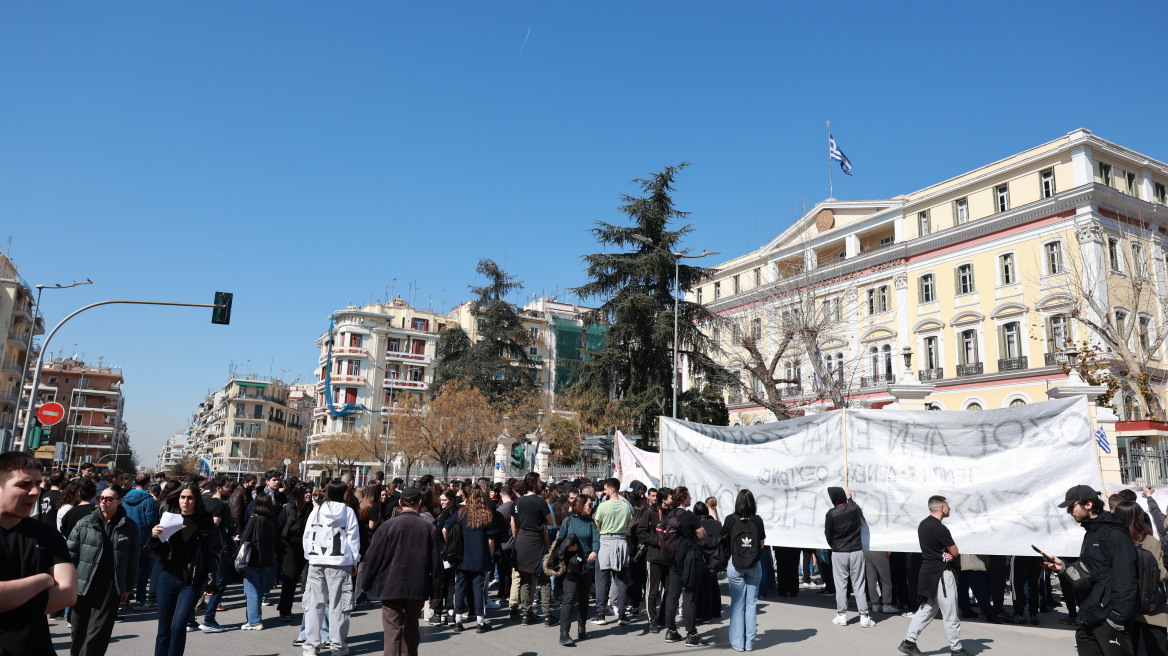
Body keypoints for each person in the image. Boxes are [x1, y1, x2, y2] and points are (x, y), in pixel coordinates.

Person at [0, 452, 78, 656]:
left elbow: (68, 593)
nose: (35, 491)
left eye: (37, 483)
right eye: (24, 484)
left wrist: (9, 601)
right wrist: (43, 580)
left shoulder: (47, 534)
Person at [1046, 485, 1139, 656]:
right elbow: (1091, 574)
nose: (1069, 512)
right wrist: (1063, 567)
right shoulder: (1091, 532)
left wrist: (1117, 618)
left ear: (1088, 505)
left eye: (1071, 506)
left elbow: (1126, 578)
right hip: (1089, 615)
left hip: (1108, 619)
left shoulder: (1115, 533)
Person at [359, 486, 443, 656]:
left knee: (392, 630)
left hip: (390, 584)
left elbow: (372, 557)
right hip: (417, 585)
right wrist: (436, 592)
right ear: (419, 503)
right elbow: (436, 563)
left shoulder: (387, 526)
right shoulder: (428, 528)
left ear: (399, 503)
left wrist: (366, 583)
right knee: (412, 627)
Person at [146, 482, 222, 656]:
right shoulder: (169, 518)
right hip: (167, 577)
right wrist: (154, 537)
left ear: (197, 500)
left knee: (179, 626)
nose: (185, 501)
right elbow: (152, 552)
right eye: (182, 497)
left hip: (192, 580)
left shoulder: (205, 522)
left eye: (190, 498)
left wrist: (211, 579)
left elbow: (214, 552)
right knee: (164, 629)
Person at [67, 484, 140, 656]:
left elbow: (133, 560)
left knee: (98, 632)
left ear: (119, 501)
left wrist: (128, 587)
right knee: (78, 628)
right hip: (83, 582)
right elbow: (70, 554)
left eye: (108, 499)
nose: (103, 502)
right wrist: (68, 582)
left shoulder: (130, 527)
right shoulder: (86, 522)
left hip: (110, 585)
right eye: (101, 498)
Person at [899, 496, 969, 656]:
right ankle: (956, 649)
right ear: (941, 508)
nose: (950, 508)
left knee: (928, 608)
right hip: (941, 574)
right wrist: (948, 554)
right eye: (948, 506)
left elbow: (938, 550)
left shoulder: (923, 524)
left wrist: (945, 553)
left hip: (928, 573)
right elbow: (955, 551)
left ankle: (909, 642)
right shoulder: (940, 528)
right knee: (950, 612)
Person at [301, 479, 361, 656]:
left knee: (314, 605)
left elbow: (307, 535)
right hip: (340, 562)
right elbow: (353, 538)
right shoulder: (348, 512)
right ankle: (338, 646)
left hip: (316, 561)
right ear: (344, 494)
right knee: (339, 605)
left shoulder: (317, 511)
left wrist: (310, 556)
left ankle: (310, 647)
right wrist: (354, 561)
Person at [1113, 500, 1168, 656]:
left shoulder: (1114, 541)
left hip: (1123, 608)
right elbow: (1161, 575)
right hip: (1151, 611)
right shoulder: (1151, 542)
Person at [445, 486, 497, 633]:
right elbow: (490, 540)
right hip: (480, 557)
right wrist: (490, 556)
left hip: (462, 557)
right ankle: (480, 622)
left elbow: (445, 528)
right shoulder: (486, 514)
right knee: (478, 589)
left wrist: (451, 546)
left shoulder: (461, 512)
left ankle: (458, 620)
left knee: (460, 587)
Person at [661, 486, 707, 647]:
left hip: (673, 559)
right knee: (689, 596)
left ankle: (671, 630)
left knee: (672, 595)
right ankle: (691, 634)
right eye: (688, 496)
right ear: (683, 498)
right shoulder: (690, 516)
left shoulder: (669, 515)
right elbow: (703, 535)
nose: (691, 499)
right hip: (688, 559)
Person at [723, 489, 765, 652]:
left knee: (737, 603)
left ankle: (737, 643)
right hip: (754, 564)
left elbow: (723, 540)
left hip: (735, 564)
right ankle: (749, 643)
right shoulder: (757, 520)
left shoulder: (730, 519)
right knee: (751, 603)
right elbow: (761, 544)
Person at [825, 486, 873, 628]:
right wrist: (850, 498)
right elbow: (858, 511)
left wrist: (834, 545)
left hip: (839, 551)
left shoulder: (831, 513)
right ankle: (864, 616)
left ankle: (841, 615)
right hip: (856, 550)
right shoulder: (854, 508)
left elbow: (828, 534)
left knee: (841, 584)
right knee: (859, 584)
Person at [556, 493, 600, 646]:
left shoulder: (591, 523)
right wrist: (567, 547)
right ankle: (564, 634)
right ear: (580, 505)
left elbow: (596, 540)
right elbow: (559, 541)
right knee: (569, 598)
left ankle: (582, 628)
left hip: (587, 565)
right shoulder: (568, 521)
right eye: (589, 505)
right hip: (571, 565)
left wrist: (595, 551)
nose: (591, 507)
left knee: (584, 598)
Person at [511, 472, 554, 626]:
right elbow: (550, 522)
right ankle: (548, 615)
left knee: (525, 579)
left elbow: (513, 525)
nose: (541, 483)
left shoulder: (517, 502)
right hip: (536, 542)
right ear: (534, 483)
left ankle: (526, 614)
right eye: (539, 481)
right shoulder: (540, 501)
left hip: (521, 542)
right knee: (544, 579)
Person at [592, 477, 633, 627]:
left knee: (602, 580)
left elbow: (597, 523)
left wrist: (603, 531)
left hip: (605, 541)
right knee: (621, 580)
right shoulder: (625, 506)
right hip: (621, 542)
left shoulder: (603, 506)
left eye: (605, 489)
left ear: (612, 489)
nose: (604, 491)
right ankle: (622, 614)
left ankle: (600, 614)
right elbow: (628, 524)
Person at [238, 492, 279, 630]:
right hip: (268, 558)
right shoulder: (273, 520)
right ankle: (254, 619)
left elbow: (245, 538)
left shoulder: (255, 519)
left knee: (252, 590)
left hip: (253, 558)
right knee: (260, 589)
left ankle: (254, 621)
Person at [123, 473, 160, 609]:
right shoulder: (149, 500)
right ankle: (140, 600)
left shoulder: (125, 498)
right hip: (143, 538)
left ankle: (124, 599)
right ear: (147, 484)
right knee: (143, 570)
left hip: (126, 537)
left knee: (126, 569)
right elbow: (151, 522)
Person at [277, 484, 313, 623]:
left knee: (294, 579)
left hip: (303, 548)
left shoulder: (312, 509)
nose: (308, 494)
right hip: (288, 547)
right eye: (306, 492)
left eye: (310, 492)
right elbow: (279, 526)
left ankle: (285, 607)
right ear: (299, 494)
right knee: (290, 579)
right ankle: (285, 610)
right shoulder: (289, 507)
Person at [638, 486, 671, 633]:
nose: (673, 499)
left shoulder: (672, 513)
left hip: (669, 558)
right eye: (670, 497)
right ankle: (652, 620)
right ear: (664, 500)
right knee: (652, 590)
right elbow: (641, 532)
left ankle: (663, 617)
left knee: (669, 590)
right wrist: (658, 542)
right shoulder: (650, 512)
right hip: (654, 557)